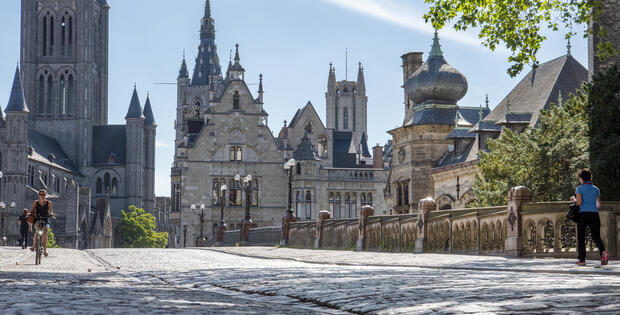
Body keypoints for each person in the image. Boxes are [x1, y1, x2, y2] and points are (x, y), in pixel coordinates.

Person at [569, 169, 608, 266]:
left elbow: (579, 202)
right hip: (594, 214)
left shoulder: (579, 188)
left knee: (581, 237)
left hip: (583, 214)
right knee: (596, 236)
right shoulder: (596, 189)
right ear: (590, 177)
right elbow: (598, 205)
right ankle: (603, 252)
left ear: (581, 178)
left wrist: (573, 199)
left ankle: (582, 260)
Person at [29, 189, 55, 257]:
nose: (42, 196)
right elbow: (32, 210)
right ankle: (33, 246)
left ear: (45, 195)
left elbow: (50, 211)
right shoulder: (36, 202)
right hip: (37, 219)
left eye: (43, 195)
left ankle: (45, 251)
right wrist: (30, 214)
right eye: (40, 194)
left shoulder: (49, 203)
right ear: (39, 195)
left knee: (45, 231)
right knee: (37, 230)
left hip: (46, 219)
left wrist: (52, 214)